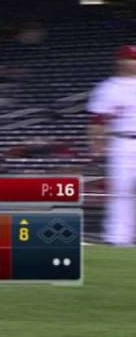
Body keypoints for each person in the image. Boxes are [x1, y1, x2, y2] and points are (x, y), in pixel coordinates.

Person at [87, 44, 136, 247]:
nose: (132, 62)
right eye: (129, 58)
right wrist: (97, 145)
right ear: (120, 61)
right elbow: (98, 120)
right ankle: (119, 239)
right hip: (122, 143)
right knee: (121, 193)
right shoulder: (110, 87)